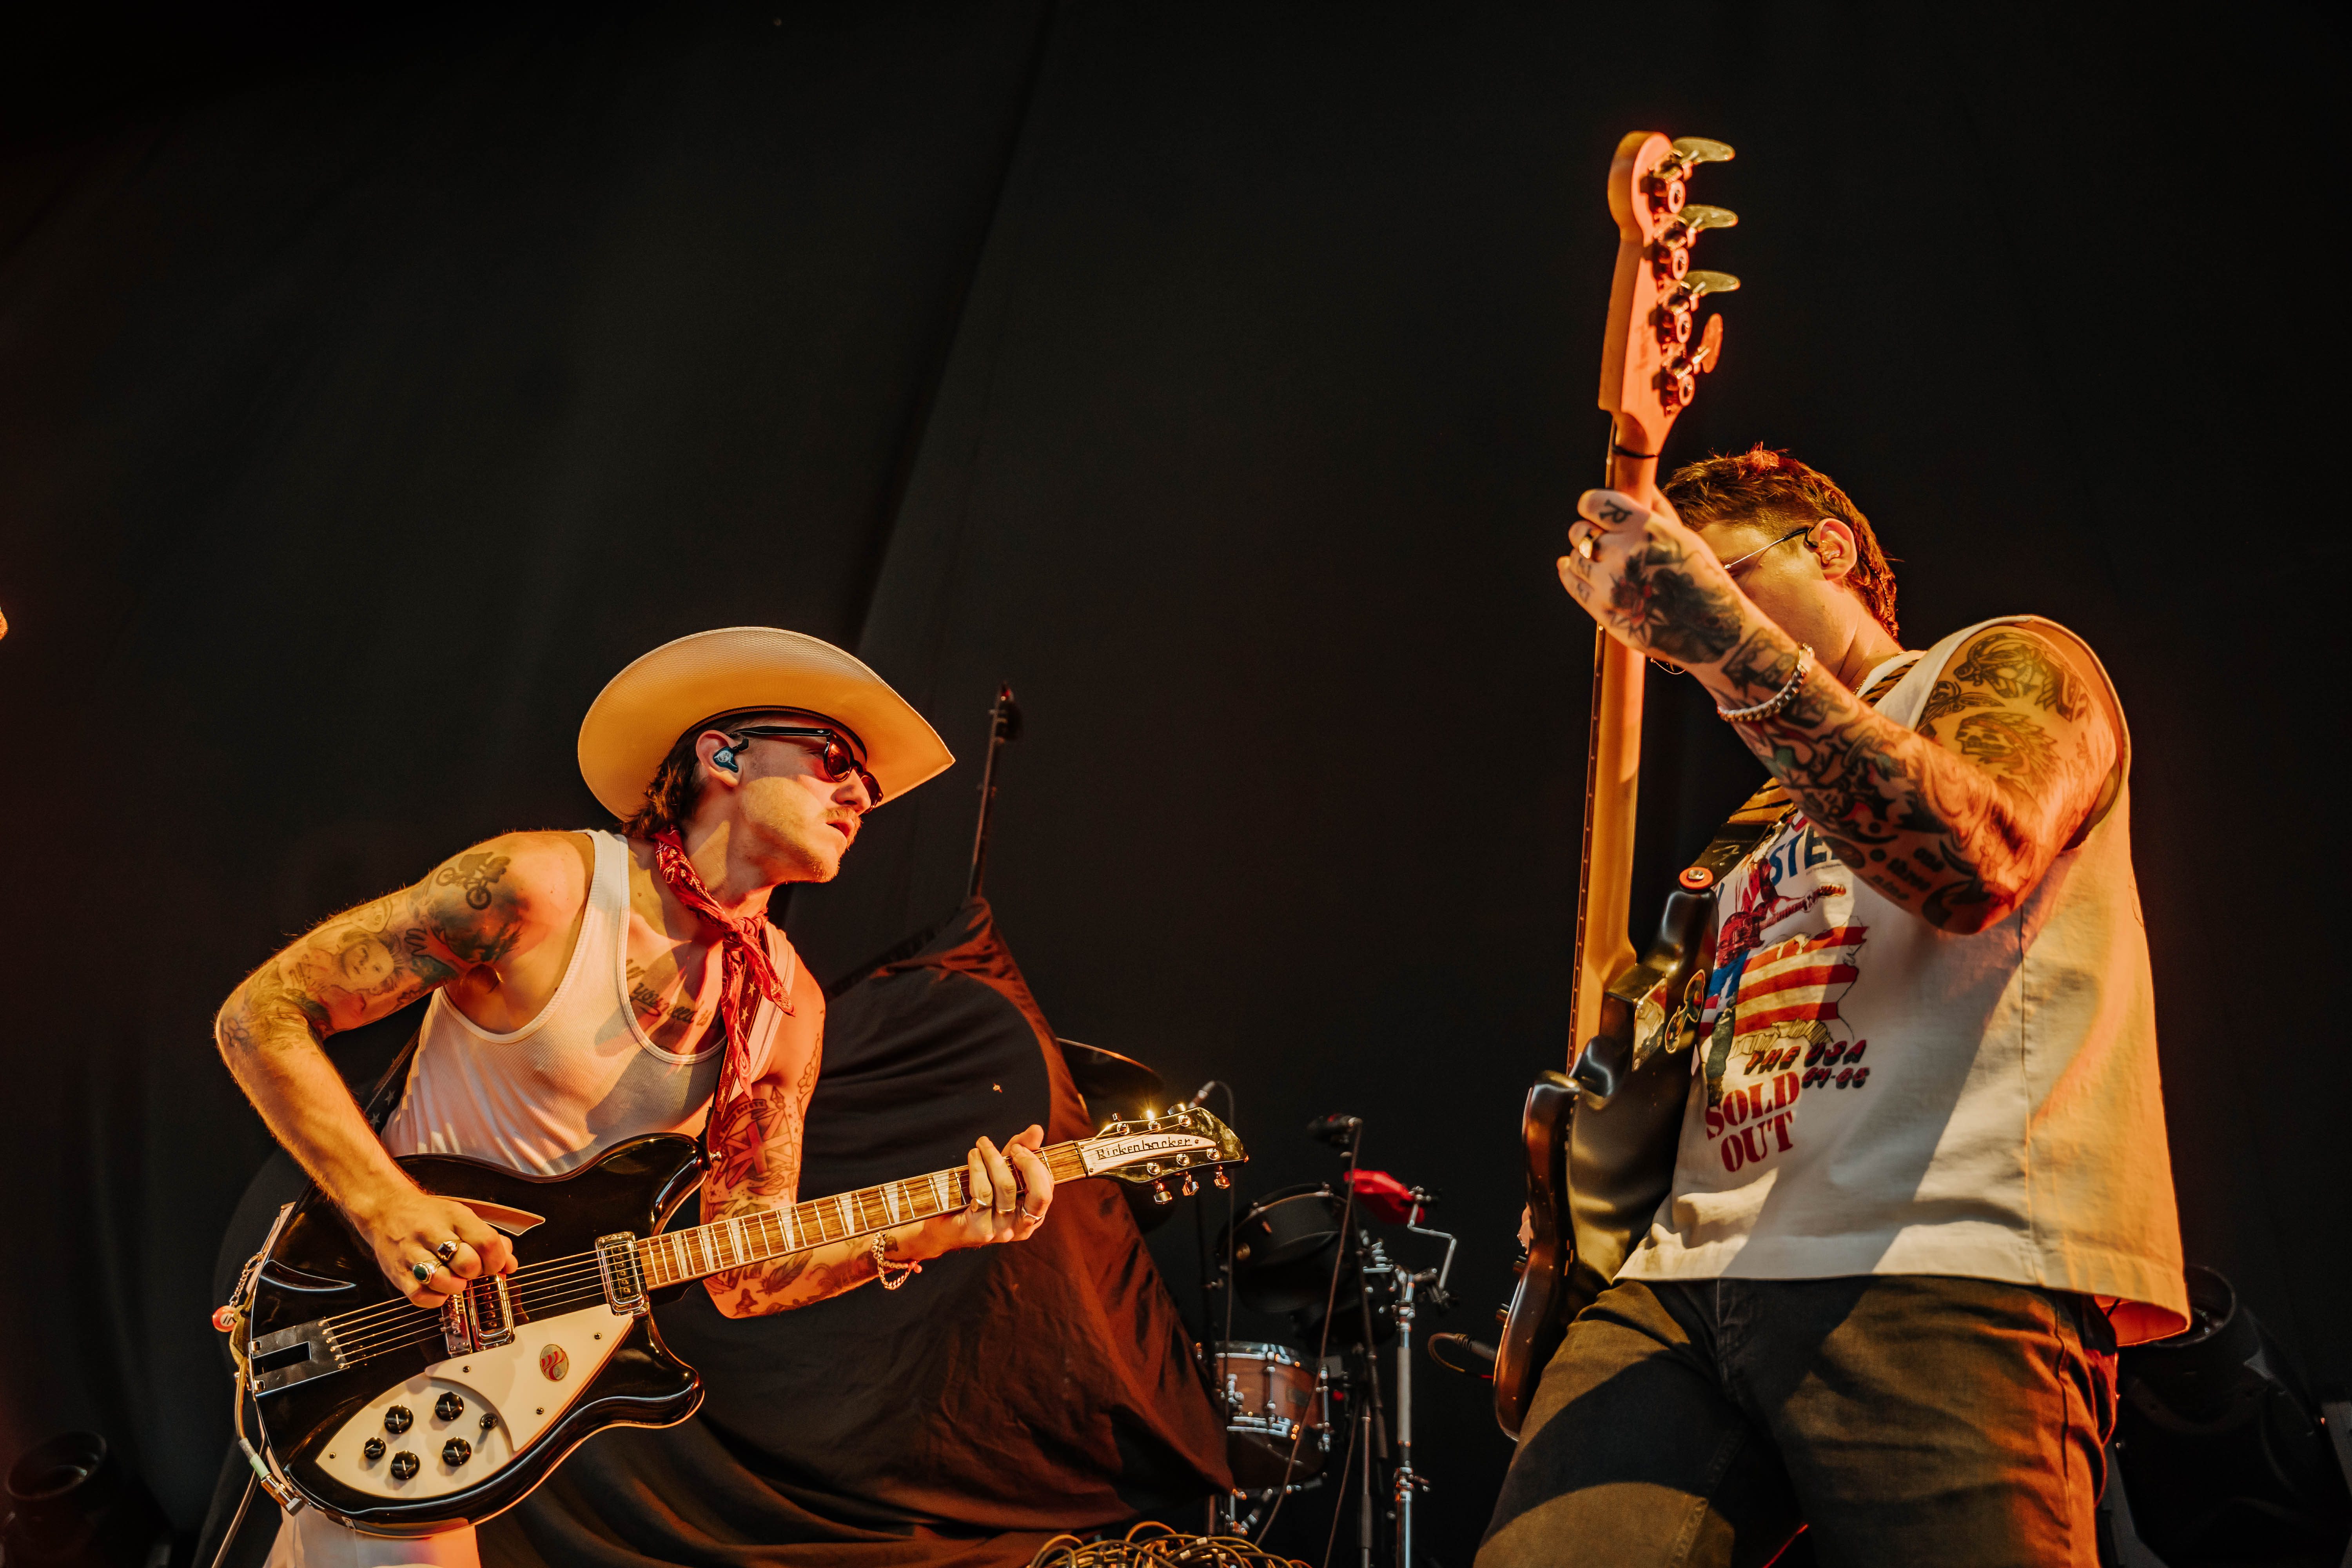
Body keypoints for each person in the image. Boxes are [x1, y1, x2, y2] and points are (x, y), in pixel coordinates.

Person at [215, 627, 1058, 1568]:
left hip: (505, 1372)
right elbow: (261, 1012)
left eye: (866, 781)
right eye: (834, 759)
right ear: (723, 754)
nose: (863, 793)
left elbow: (747, 1270)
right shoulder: (542, 887)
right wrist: (385, 1206)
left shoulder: (788, 1007)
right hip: (378, 1309)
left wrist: (934, 1230)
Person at [1479, 450, 2187, 1568]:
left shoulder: (2005, 661)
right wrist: (1582, 1178)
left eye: (1714, 580)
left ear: (1831, 547)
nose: (1686, 637)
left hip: (1935, 1254)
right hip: (1680, 1281)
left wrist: (1726, 644)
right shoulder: (1757, 821)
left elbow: (1974, 860)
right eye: (1666, 627)